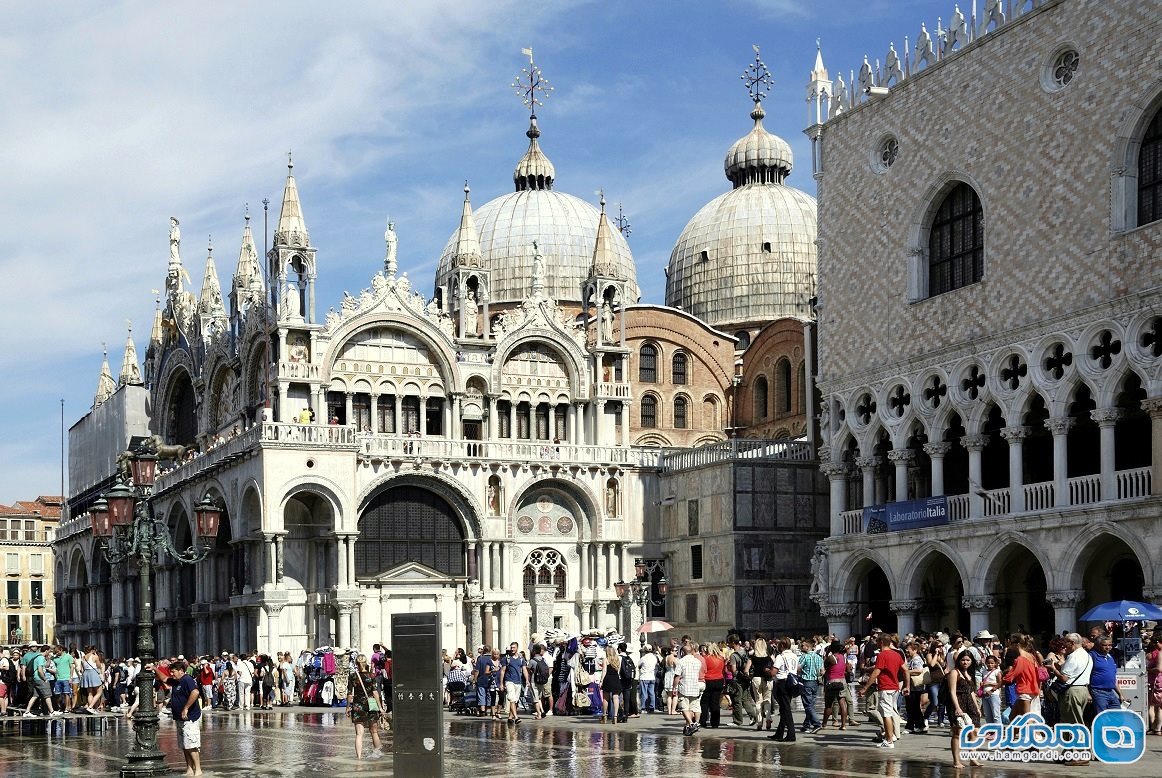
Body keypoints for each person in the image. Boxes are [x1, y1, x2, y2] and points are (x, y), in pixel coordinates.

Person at [860, 633, 907, 749]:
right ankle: (892, 736)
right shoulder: (897, 654)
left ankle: (889, 740)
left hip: (885, 687)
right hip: (895, 687)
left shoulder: (882, 655)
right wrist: (907, 686)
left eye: (877, 642)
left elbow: (876, 672)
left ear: (881, 643)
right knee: (891, 711)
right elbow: (906, 670)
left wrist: (865, 688)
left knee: (886, 715)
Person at [168, 660, 203, 776]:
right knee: (184, 744)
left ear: (181, 671)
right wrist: (155, 669)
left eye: (173, 672)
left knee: (191, 745)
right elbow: (164, 679)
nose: (171, 674)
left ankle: (198, 769)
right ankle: (189, 768)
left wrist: (186, 708)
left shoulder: (187, 679)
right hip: (180, 718)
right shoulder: (176, 681)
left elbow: (195, 692)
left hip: (190, 718)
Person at [347, 654, 385, 759]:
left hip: (358, 706)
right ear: (366, 663)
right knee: (374, 732)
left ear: (356, 664)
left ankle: (359, 757)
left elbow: (350, 694)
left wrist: (348, 707)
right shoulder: (372, 676)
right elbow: (375, 693)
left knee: (359, 734)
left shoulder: (353, 676)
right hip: (371, 705)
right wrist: (380, 707)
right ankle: (378, 754)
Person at [949, 651, 982, 769]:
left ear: (971, 661)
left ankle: (973, 759)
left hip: (970, 704)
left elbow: (971, 691)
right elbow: (952, 691)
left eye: (968, 660)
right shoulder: (954, 672)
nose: (965, 662)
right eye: (963, 660)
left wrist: (977, 707)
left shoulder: (969, 673)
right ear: (959, 661)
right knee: (957, 734)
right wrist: (957, 707)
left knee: (975, 732)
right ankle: (956, 761)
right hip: (959, 703)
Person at [769, 637, 799, 742]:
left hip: (782, 683)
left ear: (781, 646)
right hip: (791, 683)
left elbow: (773, 672)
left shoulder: (780, 657)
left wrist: (767, 670)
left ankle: (791, 734)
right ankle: (779, 733)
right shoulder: (794, 656)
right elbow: (798, 668)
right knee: (784, 708)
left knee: (786, 709)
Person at [673, 642, 703, 736]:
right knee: (695, 707)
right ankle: (697, 722)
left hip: (684, 686)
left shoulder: (681, 661)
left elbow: (677, 676)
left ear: (683, 652)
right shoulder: (698, 661)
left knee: (684, 707)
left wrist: (674, 687)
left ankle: (691, 723)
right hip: (695, 686)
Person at [1088, 635, 1123, 715]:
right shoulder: (1092, 656)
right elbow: (1086, 675)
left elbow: (1113, 678)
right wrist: (1087, 693)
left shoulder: (1110, 657)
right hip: (1098, 691)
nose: (1108, 647)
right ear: (1098, 646)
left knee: (1117, 715)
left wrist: (1120, 694)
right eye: (1104, 645)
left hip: (1111, 692)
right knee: (1102, 717)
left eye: (1110, 645)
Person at [797, 637, 823, 734]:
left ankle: (816, 724)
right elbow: (822, 671)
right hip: (815, 682)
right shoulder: (819, 657)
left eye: (802, 645)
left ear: (807, 647)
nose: (801, 647)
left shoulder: (805, 656)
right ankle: (806, 725)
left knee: (808, 704)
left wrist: (800, 672)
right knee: (811, 704)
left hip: (806, 682)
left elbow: (798, 668)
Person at [821, 640, 848, 731]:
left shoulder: (830, 658)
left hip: (832, 682)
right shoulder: (843, 657)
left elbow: (824, 667)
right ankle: (843, 725)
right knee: (842, 703)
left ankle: (824, 724)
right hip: (842, 681)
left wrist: (827, 653)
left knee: (828, 704)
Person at [500, 641, 529, 724]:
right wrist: (501, 683)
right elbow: (502, 671)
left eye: (514, 647)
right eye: (511, 647)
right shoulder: (507, 658)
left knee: (515, 700)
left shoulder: (521, 659)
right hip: (509, 681)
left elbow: (524, 670)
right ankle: (516, 717)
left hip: (518, 681)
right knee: (512, 698)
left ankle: (510, 717)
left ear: (517, 648)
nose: (512, 649)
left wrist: (527, 680)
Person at [698, 643, 725, 729]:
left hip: (708, 680)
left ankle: (703, 721)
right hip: (719, 680)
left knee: (704, 702)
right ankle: (715, 723)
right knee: (715, 703)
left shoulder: (705, 658)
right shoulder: (721, 658)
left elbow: (703, 669)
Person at [978, 654, 1003, 724]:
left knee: (996, 714)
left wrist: (989, 683)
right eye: (988, 663)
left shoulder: (997, 671)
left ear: (995, 663)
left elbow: (1000, 683)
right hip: (985, 694)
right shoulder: (984, 672)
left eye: (992, 663)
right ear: (986, 663)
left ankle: (998, 731)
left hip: (993, 694)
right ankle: (991, 730)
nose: (990, 665)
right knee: (988, 715)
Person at [600, 645, 622, 724]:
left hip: (608, 679)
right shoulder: (617, 659)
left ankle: (604, 716)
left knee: (606, 698)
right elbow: (618, 671)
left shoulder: (605, 659)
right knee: (616, 698)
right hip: (616, 679)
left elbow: (604, 671)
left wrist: (601, 681)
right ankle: (615, 717)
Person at [1145, 633, 1162, 735]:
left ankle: (1154, 728)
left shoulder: (1158, 653)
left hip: (1157, 681)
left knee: (1153, 706)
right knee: (1159, 707)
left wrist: (1149, 670)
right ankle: (1157, 728)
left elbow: (1159, 669)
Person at [638, 644, 658, 714]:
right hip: (652, 676)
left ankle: (643, 707)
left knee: (644, 693)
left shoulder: (643, 658)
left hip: (644, 676)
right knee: (652, 693)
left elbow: (638, 665)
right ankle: (652, 707)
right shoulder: (654, 657)